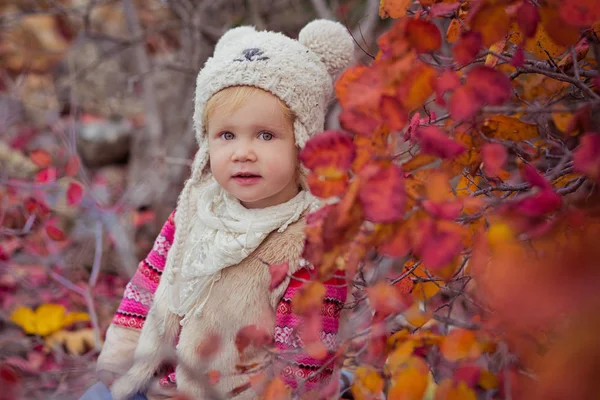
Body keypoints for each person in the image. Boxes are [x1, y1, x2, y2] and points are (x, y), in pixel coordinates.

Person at [81, 19, 354, 400]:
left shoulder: (308, 238)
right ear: (207, 145)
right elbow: (149, 282)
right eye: (227, 135)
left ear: (302, 142)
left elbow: (304, 356)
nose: (243, 151)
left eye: (265, 135)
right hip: (159, 382)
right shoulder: (198, 207)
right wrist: (120, 362)